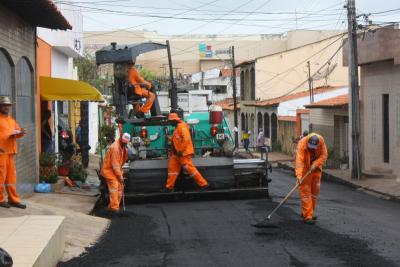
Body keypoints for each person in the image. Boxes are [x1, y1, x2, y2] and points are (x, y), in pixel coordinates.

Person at [164, 112, 209, 191]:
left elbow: (186, 139)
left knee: (190, 169)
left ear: (175, 120)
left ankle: (204, 184)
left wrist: (181, 150)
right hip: (176, 155)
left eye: (170, 121)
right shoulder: (178, 128)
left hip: (183, 154)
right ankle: (169, 187)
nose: (170, 123)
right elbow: (177, 140)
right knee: (172, 171)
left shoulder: (182, 127)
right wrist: (170, 138)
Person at [0, 96, 26, 209]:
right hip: (1, 153)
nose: (6, 107)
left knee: (11, 178)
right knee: (1, 177)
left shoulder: (11, 120)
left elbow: (17, 132)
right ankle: (0, 199)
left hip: (10, 153)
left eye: (8, 105)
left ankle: (13, 199)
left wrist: (21, 132)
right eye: (4, 105)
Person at [295, 133, 327, 225]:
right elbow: (299, 162)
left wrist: (315, 164)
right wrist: (299, 176)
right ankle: (308, 216)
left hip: (316, 169)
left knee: (314, 193)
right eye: (310, 147)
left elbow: (324, 155)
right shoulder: (302, 143)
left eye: (314, 147)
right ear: (307, 142)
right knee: (305, 193)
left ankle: (309, 212)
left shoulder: (321, 141)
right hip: (305, 169)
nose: (312, 149)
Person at [100, 132, 130, 213]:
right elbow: (115, 165)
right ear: (120, 139)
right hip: (109, 170)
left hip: (116, 170)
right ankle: (114, 208)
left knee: (121, 187)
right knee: (115, 186)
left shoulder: (123, 148)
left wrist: (120, 174)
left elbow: (121, 162)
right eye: (123, 142)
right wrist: (120, 176)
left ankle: (112, 206)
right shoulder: (115, 148)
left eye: (126, 143)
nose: (124, 144)